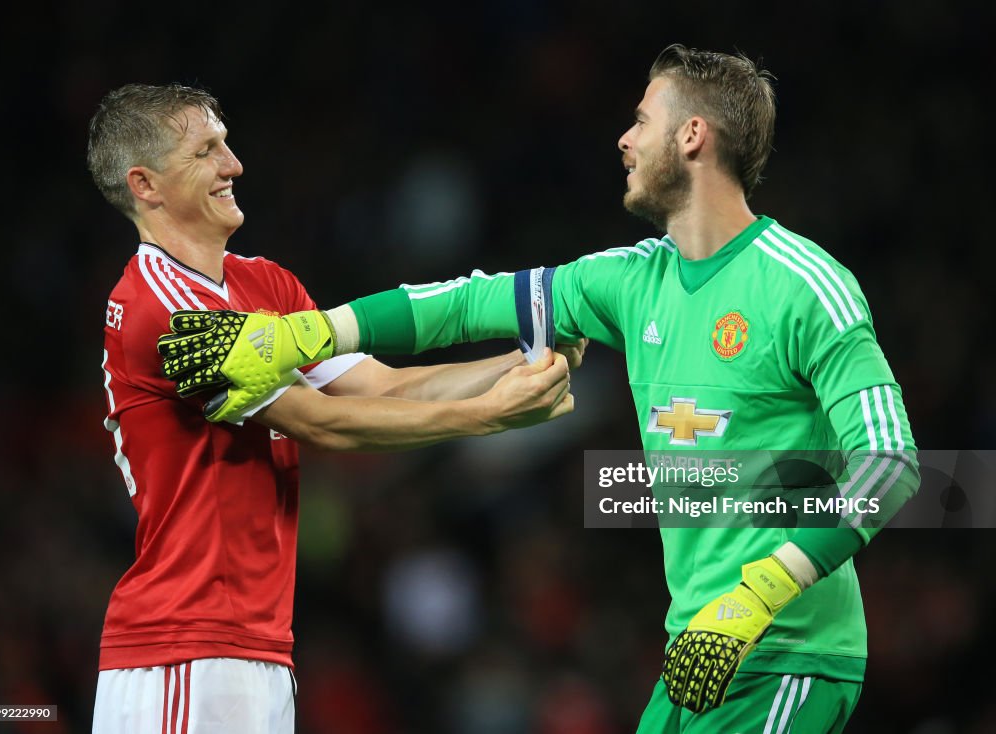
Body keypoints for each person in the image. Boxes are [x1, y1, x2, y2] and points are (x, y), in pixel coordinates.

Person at [159, 45, 920, 733]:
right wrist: (309, 334)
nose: (624, 140)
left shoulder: (804, 286)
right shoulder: (631, 280)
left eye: (641, 120)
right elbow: (466, 302)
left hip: (789, 651)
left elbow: (889, 464)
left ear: (693, 137)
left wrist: (758, 593)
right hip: (695, 653)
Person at [88, 82, 578, 734]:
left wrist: (529, 366)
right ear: (144, 185)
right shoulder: (159, 305)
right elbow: (321, 422)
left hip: (257, 647)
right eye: (206, 151)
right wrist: (489, 416)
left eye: (226, 144)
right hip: (182, 647)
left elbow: (387, 388)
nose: (233, 165)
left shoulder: (265, 283)